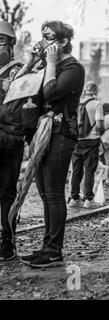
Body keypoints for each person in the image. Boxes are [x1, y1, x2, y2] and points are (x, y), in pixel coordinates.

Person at [19, 21, 85, 267]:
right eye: (43, 36)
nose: (44, 40)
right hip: (41, 132)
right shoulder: (47, 64)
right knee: (45, 194)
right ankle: (46, 246)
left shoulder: (73, 67)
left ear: (64, 41)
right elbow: (20, 85)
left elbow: (49, 92)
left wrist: (51, 64)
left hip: (61, 133)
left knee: (55, 193)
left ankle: (54, 251)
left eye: (49, 36)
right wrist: (31, 61)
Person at [0, 20, 27, 261]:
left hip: (9, 137)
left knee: (7, 192)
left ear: (10, 44)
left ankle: (6, 240)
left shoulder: (19, 70)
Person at [68, 81, 104, 208]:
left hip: (77, 141)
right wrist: (101, 131)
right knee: (89, 170)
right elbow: (99, 125)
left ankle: (74, 198)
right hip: (91, 141)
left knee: (76, 170)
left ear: (85, 90)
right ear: (95, 90)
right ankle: (89, 199)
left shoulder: (78, 103)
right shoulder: (97, 104)